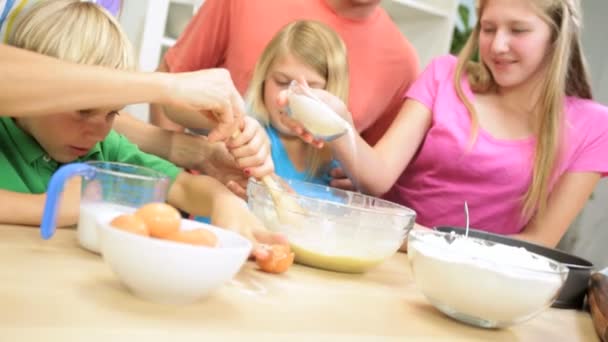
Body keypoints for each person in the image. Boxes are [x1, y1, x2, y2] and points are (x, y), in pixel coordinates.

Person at [284, 0, 608, 248]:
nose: (497, 45)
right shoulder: (445, 76)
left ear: (557, 35)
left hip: (478, 279)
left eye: (518, 30)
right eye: (488, 28)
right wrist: (338, 122)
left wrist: (434, 243)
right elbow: (378, 176)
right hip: (389, 252)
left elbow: (539, 241)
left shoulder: (593, 126)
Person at [0, 0, 285, 259]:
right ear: (31, 92)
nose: (99, 131)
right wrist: (48, 207)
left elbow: (183, 186)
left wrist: (223, 200)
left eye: (112, 113)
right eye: (83, 111)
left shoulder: (106, 148)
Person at [150, 0, 420, 188]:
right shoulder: (250, 129)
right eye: (282, 81)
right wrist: (176, 182)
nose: (291, 98)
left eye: (313, 89)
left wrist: (357, 170)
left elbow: (376, 169)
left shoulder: (403, 62)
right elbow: (173, 94)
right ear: (264, 77)